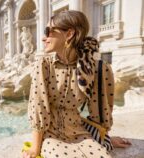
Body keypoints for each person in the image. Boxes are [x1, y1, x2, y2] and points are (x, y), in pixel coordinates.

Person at [23, 10, 131, 158]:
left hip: (81, 132)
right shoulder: (43, 65)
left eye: (48, 31)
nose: (44, 38)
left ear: (69, 34)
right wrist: (35, 147)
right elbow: (38, 107)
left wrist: (104, 138)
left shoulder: (96, 68)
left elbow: (99, 110)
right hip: (51, 133)